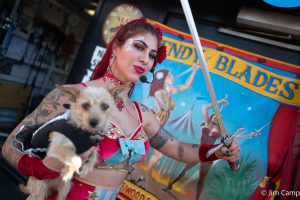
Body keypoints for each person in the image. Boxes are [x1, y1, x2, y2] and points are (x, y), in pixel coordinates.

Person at [2, 18, 240, 200]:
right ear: (115, 47)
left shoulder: (142, 115)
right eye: (138, 47)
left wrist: (216, 151)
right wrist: (42, 167)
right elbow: (11, 144)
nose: (145, 59)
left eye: (151, 55)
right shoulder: (70, 95)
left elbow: (179, 150)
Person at [163, 98, 228, 200]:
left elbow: (227, 138)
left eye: (219, 116)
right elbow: (205, 108)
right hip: (198, 150)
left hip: (209, 154)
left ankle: (196, 199)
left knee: (201, 178)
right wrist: (219, 102)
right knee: (185, 169)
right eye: (216, 114)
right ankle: (170, 185)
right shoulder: (207, 122)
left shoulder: (220, 130)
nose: (217, 116)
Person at [146, 66, 200, 173]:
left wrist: (194, 70)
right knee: (149, 152)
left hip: (158, 127)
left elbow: (186, 86)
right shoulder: (160, 92)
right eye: (169, 76)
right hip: (153, 126)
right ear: (164, 79)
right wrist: (168, 91)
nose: (172, 77)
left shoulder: (168, 90)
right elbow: (166, 106)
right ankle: (140, 176)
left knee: (157, 155)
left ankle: (143, 177)